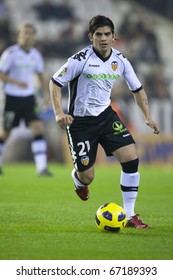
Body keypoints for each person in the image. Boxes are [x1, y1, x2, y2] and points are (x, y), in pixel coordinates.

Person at [49, 15, 160, 228]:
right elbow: (54, 83)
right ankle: (78, 179)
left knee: (130, 157)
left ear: (114, 36)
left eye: (107, 34)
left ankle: (129, 215)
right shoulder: (79, 60)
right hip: (79, 123)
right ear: (91, 36)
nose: (103, 38)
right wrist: (58, 113)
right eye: (98, 34)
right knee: (87, 176)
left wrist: (147, 116)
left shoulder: (121, 60)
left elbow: (137, 89)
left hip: (106, 116)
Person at [0, 23, 52, 176]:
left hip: (29, 98)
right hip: (11, 97)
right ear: (19, 35)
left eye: (30, 33)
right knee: (5, 132)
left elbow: (41, 75)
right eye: (24, 33)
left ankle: (41, 168)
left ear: (34, 37)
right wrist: (16, 82)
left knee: (38, 128)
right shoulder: (11, 53)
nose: (27, 36)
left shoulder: (36, 54)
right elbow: (1, 73)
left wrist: (46, 95)